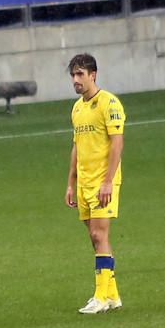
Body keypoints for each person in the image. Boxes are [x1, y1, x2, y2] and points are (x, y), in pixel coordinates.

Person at [65, 53, 125, 314]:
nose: (76, 80)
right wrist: (70, 183)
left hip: (103, 182)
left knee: (99, 235)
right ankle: (112, 295)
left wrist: (108, 181)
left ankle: (100, 297)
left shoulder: (109, 103)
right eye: (73, 75)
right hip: (84, 182)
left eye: (80, 74)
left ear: (93, 74)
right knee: (96, 239)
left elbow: (117, 142)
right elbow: (76, 147)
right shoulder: (77, 108)